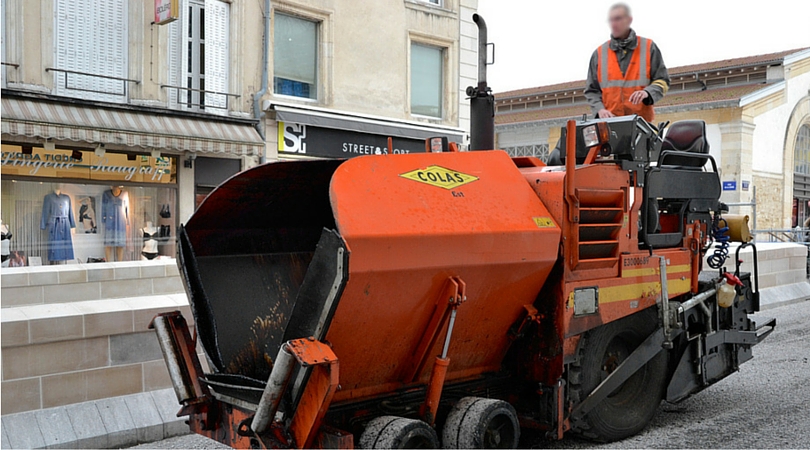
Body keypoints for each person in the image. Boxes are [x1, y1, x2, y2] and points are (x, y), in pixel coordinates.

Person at [584, 3, 670, 123]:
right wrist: (600, 109)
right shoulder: (599, 54)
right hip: (610, 124)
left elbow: (662, 81)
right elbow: (592, 90)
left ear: (629, 20)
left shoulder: (648, 47)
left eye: (618, 19)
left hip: (642, 124)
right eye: (611, 20)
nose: (614, 24)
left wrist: (647, 93)